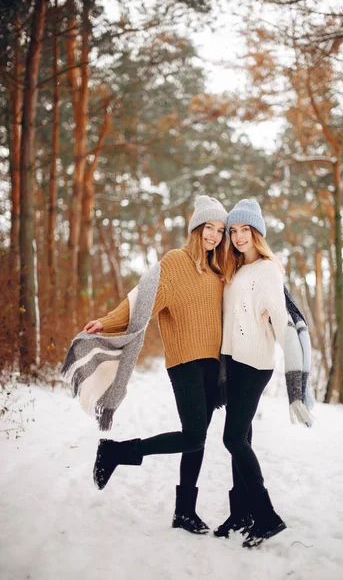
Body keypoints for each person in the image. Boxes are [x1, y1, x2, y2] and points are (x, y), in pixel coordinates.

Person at [83, 196, 227, 535]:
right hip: (185, 363)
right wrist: (107, 321)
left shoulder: (218, 270)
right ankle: (116, 451)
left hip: (212, 364)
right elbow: (139, 298)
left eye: (220, 230)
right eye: (210, 228)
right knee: (193, 436)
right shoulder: (175, 263)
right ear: (196, 228)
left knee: (199, 439)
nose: (215, 236)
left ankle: (184, 513)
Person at [213, 198, 288, 549]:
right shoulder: (239, 268)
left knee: (233, 439)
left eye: (246, 230)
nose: (239, 236)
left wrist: (297, 370)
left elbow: (281, 317)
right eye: (234, 230)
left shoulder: (269, 269)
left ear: (257, 232)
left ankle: (266, 515)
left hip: (254, 364)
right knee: (243, 435)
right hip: (235, 362)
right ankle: (241, 512)